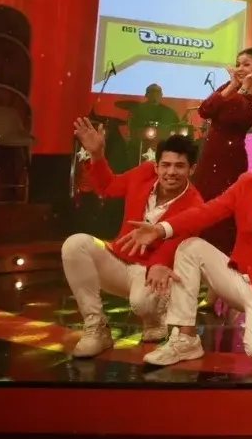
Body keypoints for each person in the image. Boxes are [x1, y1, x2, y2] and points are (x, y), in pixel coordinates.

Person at [115, 132, 252, 367]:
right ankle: (185, 338)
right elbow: (208, 212)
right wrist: (161, 229)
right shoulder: (246, 184)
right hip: (236, 279)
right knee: (190, 247)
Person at [61, 120, 204, 357]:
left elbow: (174, 249)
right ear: (156, 166)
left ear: (192, 169)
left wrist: (156, 264)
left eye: (180, 166)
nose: (171, 172)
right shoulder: (145, 174)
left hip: (154, 272)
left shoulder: (196, 205)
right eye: (165, 165)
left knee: (142, 302)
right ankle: (96, 327)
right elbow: (108, 187)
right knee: (75, 244)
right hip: (120, 260)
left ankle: (156, 317)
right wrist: (97, 155)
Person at [194, 48, 252, 253]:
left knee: (225, 207)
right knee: (201, 203)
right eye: (238, 64)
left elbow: (236, 115)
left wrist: (242, 89)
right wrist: (232, 86)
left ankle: (221, 258)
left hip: (231, 159)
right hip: (210, 154)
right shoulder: (227, 88)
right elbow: (205, 110)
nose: (240, 68)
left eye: (246, 64)